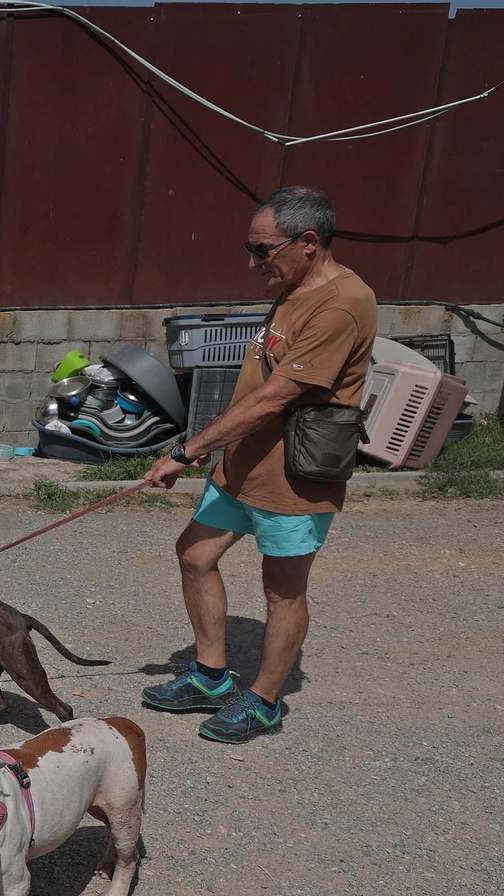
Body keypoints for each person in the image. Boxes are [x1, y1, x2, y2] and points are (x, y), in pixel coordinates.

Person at [141, 186, 375, 743]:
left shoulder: (343, 303)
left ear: (309, 243)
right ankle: (211, 676)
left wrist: (186, 450)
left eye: (263, 250)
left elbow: (276, 397)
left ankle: (265, 700)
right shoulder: (294, 285)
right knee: (195, 554)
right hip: (244, 465)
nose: (254, 263)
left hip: (296, 477)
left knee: (283, 590)